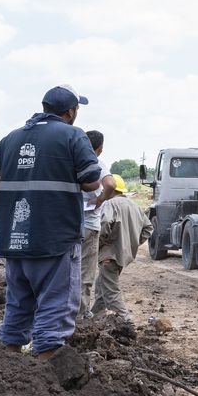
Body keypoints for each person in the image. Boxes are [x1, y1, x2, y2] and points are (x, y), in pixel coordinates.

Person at [0, 84, 102, 360]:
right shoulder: (73, 136)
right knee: (56, 304)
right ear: (71, 112)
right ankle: (45, 367)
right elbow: (92, 180)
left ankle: (9, 362)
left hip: (15, 238)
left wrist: (3, 209)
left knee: (18, 302)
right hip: (54, 238)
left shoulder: (13, 137)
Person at [92, 174, 153, 321]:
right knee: (101, 286)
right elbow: (148, 228)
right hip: (121, 256)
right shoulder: (134, 205)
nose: (102, 192)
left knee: (111, 292)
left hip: (109, 254)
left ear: (112, 189)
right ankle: (93, 318)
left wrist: (99, 243)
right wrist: (131, 243)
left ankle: (126, 322)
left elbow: (105, 223)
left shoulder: (110, 204)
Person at [81, 130, 116, 316]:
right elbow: (110, 185)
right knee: (85, 273)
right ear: (100, 148)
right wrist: (100, 199)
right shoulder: (96, 163)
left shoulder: (70, 161)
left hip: (66, 224)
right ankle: (80, 315)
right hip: (88, 226)